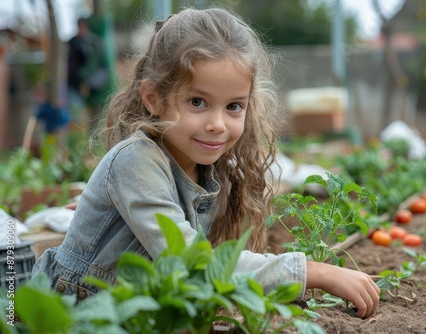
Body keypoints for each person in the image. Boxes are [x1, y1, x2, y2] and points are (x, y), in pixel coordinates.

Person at [32, 7, 380, 319]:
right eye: (197, 102)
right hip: (72, 315)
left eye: (234, 106)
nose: (218, 123)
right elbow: (192, 263)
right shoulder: (135, 160)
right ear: (154, 98)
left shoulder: (207, 168)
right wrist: (313, 271)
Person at [67, 17, 109, 134]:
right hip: (75, 83)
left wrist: (87, 82)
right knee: (77, 113)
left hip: (93, 83)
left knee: (95, 114)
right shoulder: (73, 42)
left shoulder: (94, 43)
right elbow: (71, 65)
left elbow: (97, 65)